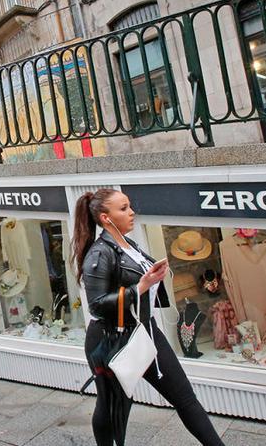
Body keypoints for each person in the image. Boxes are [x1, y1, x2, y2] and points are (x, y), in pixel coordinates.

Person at [73, 189, 223, 446]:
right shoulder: (100, 253)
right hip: (110, 340)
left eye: (129, 206)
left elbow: (139, 281)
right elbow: (97, 306)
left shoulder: (129, 245)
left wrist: (153, 277)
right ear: (105, 218)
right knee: (113, 408)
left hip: (146, 331)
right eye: (123, 208)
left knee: (185, 398)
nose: (131, 212)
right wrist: (140, 287)